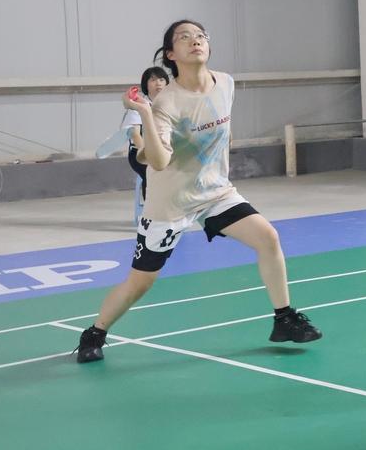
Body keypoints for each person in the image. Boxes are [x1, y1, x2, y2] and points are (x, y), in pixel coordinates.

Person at [76, 20, 321, 362]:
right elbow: (159, 161)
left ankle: (284, 318)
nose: (195, 41)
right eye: (184, 37)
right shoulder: (167, 103)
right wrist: (145, 111)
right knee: (141, 282)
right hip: (171, 202)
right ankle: (95, 333)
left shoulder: (226, 83)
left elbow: (223, 131)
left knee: (268, 238)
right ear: (170, 54)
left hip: (216, 193)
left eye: (200, 36)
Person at [121, 67, 170, 225]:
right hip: (140, 153)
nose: (158, 83)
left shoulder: (170, 105)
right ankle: (151, 217)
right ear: (146, 85)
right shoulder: (139, 106)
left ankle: (172, 213)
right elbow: (135, 134)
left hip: (165, 152)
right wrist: (147, 154)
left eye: (161, 79)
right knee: (152, 172)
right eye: (153, 80)